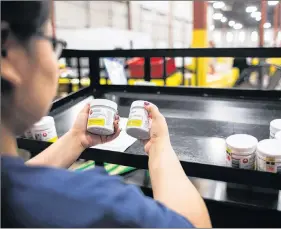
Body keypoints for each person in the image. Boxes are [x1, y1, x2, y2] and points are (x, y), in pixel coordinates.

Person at [1, 1, 211, 228]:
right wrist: (159, 146)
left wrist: (76, 139)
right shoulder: (99, 205)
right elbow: (192, 224)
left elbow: (23, 180)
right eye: (52, 44)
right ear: (7, 55)